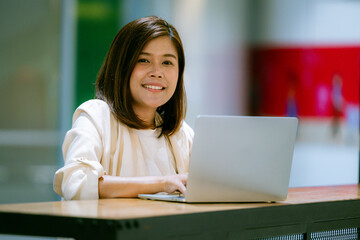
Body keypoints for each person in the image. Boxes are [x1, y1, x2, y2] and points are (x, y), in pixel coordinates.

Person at [53, 16, 194, 200]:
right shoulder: (96, 116)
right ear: (121, 66)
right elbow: (75, 183)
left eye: (167, 62)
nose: (157, 72)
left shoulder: (182, 133)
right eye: (143, 60)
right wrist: (162, 183)